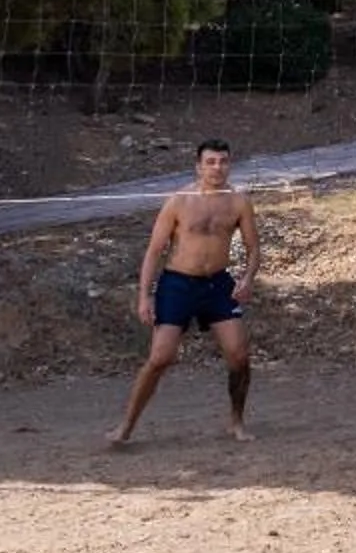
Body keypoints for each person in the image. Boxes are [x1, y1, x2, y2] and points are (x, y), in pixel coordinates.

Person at [110, 137, 263, 447]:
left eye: (223, 161)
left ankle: (235, 421)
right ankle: (125, 426)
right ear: (198, 166)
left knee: (239, 355)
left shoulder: (238, 202)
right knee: (160, 357)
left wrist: (247, 278)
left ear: (229, 165)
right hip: (178, 284)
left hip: (217, 283)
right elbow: (153, 252)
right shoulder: (179, 201)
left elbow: (253, 247)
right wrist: (144, 295)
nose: (217, 168)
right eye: (211, 162)